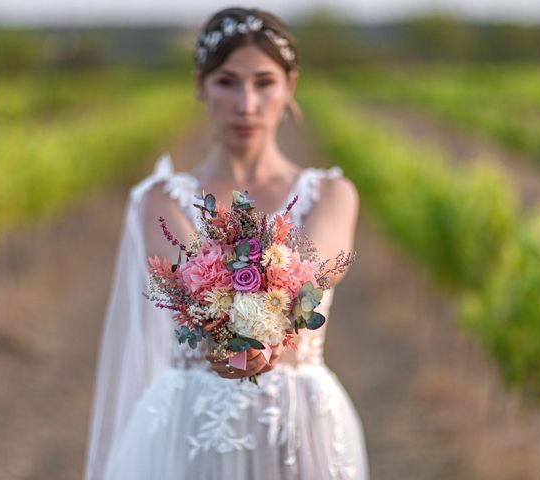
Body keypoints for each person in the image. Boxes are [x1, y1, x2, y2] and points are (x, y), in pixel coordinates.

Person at [83, 7, 369, 480]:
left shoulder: (332, 195)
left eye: (264, 82)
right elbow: (191, 282)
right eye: (226, 82)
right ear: (200, 85)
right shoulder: (160, 198)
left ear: (289, 86)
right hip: (194, 424)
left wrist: (263, 337)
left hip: (297, 425)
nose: (247, 104)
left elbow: (313, 272)